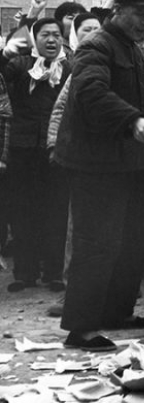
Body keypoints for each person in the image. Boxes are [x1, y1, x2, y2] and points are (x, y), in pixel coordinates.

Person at [54, 0, 144, 351]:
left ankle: (117, 312)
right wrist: (133, 120)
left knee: (134, 239)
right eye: (140, 14)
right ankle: (80, 329)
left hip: (131, 163)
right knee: (95, 244)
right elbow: (92, 95)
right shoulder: (96, 46)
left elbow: (142, 96)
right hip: (97, 164)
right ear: (117, 10)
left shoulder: (131, 47)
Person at [1, 18, 72, 293]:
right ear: (35, 38)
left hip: (57, 151)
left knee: (56, 212)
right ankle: (25, 273)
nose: (52, 40)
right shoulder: (19, 65)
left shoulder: (69, 68)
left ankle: (54, 273)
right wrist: (5, 53)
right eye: (45, 35)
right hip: (22, 150)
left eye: (56, 34)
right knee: (23, 212)